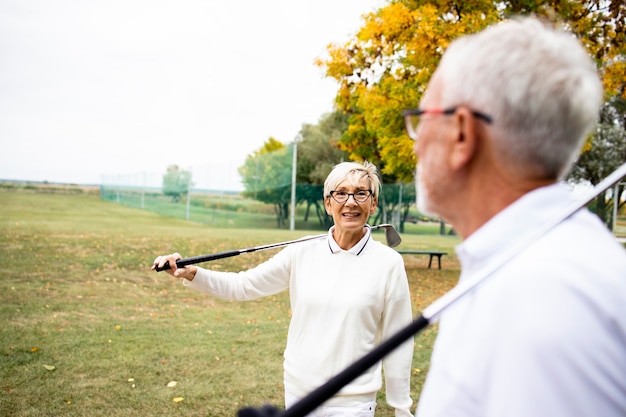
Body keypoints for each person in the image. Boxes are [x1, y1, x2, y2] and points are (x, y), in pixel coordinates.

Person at [403, 16, 626, 417]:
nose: (416, 147)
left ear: (461, 135)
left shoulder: (544, 301)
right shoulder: (522, 266)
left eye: (421, 120)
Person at [152, 161, 414, 417]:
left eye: (361, 193)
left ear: (373, 203)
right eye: (341, 193)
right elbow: (244, 285)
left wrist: (401, 408)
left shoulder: (388, 263)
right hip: (300, 393)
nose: (351, 202)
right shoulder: (302, 250)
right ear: (328, 203)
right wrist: (194, 273)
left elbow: (399, 340)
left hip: (353, 402)